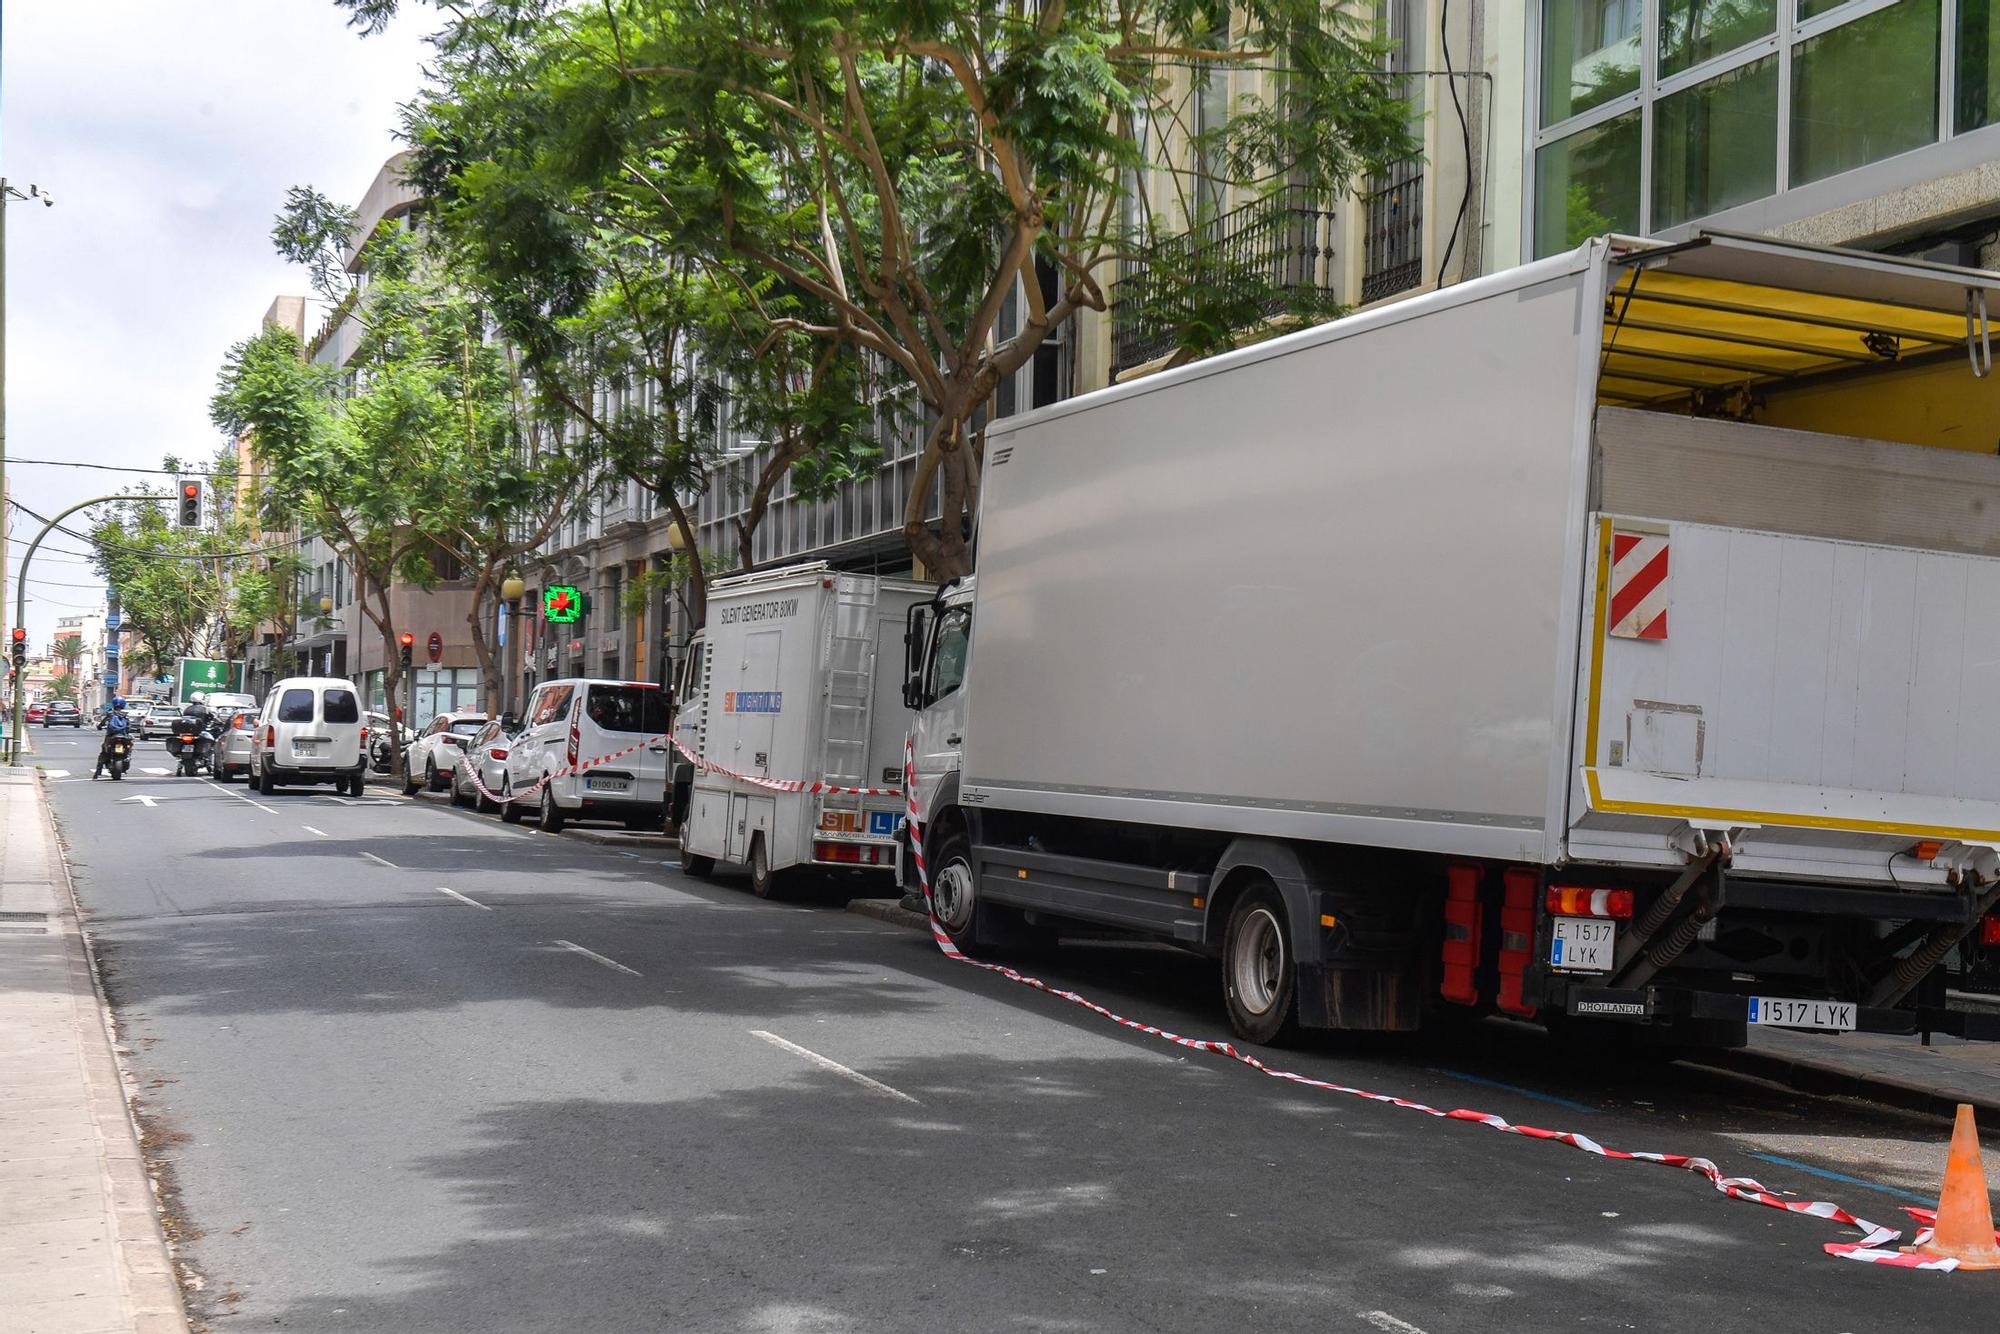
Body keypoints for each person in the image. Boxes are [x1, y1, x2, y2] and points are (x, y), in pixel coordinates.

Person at [92, 695, 132, 780]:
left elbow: (102, 723)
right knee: (130, 746)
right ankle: (127, 756)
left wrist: (99, 726)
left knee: (103, 752)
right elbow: (129, 726)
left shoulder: (110, 714)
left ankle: (98, 772)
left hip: (111, 736)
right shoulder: (125, 715)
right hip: (123, 736)